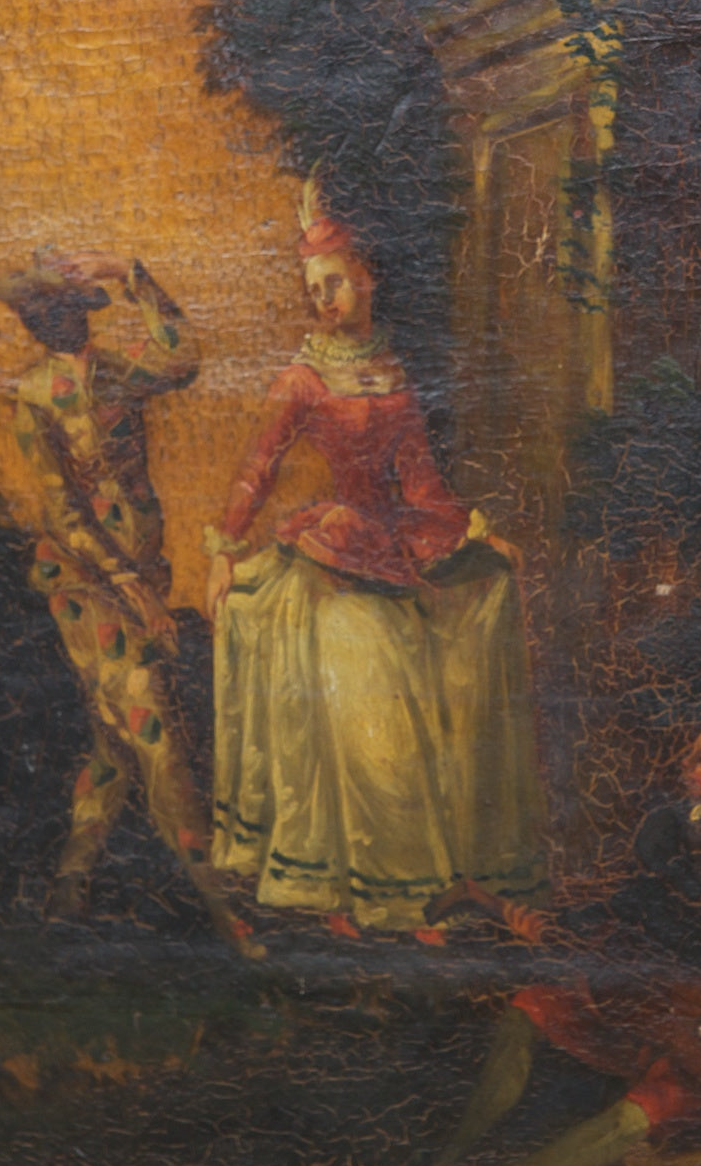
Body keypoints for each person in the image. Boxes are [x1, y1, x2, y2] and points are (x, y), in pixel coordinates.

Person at [204, 184, 546, 935]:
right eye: (313, 289)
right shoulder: (302, 377)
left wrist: (474, 536)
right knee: (372, 711)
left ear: (367, 275)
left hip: (393, 550)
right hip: (331, 556)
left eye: (333, 281)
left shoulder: (393, 372)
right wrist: (225, 549)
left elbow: (420, 482)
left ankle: (431, 888)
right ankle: (372, 889)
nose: (323, 299)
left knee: (458, 652)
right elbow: (257, 467)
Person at [383, 721, 701, 1166]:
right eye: (692, 755)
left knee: (644, 1107)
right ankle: (444, 1163)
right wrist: (539, 920)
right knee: (531, 1004)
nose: (688, 766)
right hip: (659, 1009)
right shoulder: (668, 830)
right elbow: (631, 903)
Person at [0, 249, 257, 953]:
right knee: (154, 732)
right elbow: (62, 512)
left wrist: (129, 271)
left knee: (111, 744)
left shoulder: (117, 371)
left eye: (62, 306)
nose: (51, 319)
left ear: (82, 310)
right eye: (40, 311)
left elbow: (184, 357)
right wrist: (129, 585)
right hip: (85, 587)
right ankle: (224, 907)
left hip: (142, 572)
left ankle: (69, 884)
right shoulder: (32, 395)